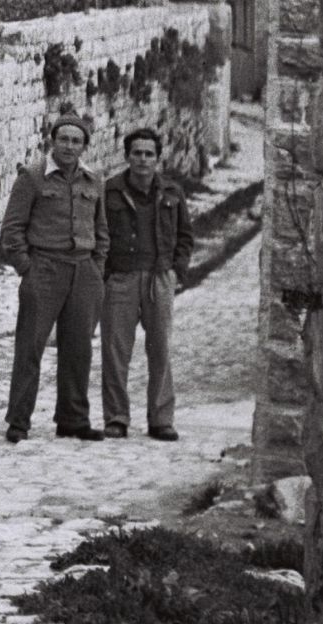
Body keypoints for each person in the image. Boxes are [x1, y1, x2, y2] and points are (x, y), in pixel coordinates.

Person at [0, 112, 110, 444]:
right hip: (44, 270)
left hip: (84, 271)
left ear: (84, 146)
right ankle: (18, 421)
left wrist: (97, 267)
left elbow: (102, 229)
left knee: (78, 349)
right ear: (52, 141)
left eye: (76, 141)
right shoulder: (33, 177)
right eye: (63, 139)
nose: (69, 146)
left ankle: (73, 419)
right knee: (30, 347)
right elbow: (12, 229)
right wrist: (27, 268)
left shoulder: (94, 180)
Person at [100, 127, 193, 441]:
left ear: (157, 158)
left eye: (148, 154)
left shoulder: (172, 193)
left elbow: (185, 236)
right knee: (115, 351)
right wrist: (106, 273)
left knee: (161, 350)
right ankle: (116, 417)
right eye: (136, 153)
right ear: (127, 156)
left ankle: (161, 419)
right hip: (121, 279)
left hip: (158, 278)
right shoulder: (109, 191)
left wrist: (176, 271)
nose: (142, 159)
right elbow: (98, 235)